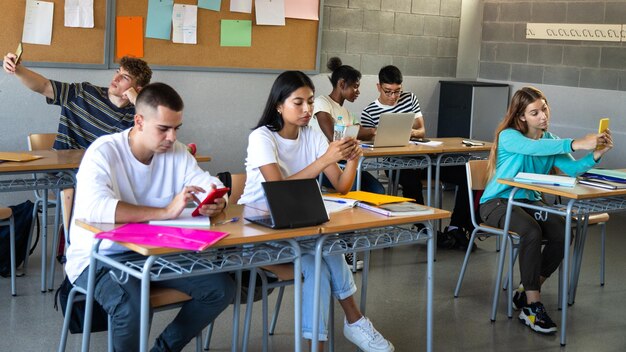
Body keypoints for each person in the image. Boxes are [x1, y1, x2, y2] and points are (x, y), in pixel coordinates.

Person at [64, 83, 235, 351]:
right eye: (163, 128)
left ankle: (163, 349)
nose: (171, 137)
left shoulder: (176, 151)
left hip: (152, 254)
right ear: (139, 121)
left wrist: (217, 200)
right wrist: (165, 212)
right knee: (132, 305)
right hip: (99, 258)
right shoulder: (103, 151)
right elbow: (96, 208)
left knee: (220, 290)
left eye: (176, 128)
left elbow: (207, 182)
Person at [238, 71, 394, 352]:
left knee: (325, 253)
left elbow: (343, 186)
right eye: (298, 103)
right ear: (278, 105)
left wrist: (354, 159)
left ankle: (327, 339)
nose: (307, 109)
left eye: (310, 101)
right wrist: (324, 159)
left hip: (298, 223)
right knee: (322, 255)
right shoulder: (262, 137)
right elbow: (278, 189)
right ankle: (353, 322)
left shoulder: (311, 134)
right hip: (259, 227)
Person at [479, 86, 613, 334]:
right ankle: (532, 306)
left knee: (563, 233)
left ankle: (527, 289)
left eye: (544, 108)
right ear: (521, 116)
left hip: (530, 203)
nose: (543, 115)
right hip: (498, 204)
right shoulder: (509, 136)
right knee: (530, 231)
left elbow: (573, 170)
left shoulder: (550, 140)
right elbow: (533, 149)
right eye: (534, 112)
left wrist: (595, 154)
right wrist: (576, 143)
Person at [360, 65, 474, 250]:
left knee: (466, 174)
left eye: (397, 91)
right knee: (409, 179)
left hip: (422, 157)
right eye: (388, 91)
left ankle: (457, 226)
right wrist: (377, 134)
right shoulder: (370, 111)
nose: (393, 96)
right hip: (394, 164)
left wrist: (409, 132)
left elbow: (421, 131)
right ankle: (423, 227)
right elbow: (365, 140)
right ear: (378, 87)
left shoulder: (410, 98)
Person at [312, 57, 385, 270]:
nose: (357, 92)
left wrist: (372, 132)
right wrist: (362, 133)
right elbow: (333, 134)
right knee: (352, 195)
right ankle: (345, 248)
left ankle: (349, 242)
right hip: (324, 167)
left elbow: (354, 135)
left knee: (376, 189)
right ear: (341, 84)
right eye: (355, 86)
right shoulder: (322, 103)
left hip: (345, 165)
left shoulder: (344, 111)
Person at [3, 52, 152, 150]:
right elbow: (43, 86)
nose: (116, 78)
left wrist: (138, 100)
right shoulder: (84, 93)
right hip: (65, 174)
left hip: (104, 178)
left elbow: (156, 132)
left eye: (125, 77)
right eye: (118, 71)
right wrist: (17, 69)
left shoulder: (138, 114)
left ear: (137, 89)